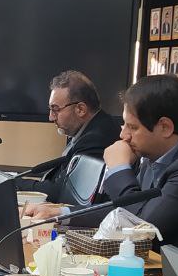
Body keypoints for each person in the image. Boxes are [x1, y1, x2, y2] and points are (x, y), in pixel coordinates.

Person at [25, 75, 178, 248]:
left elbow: (142, 224)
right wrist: (60, 214)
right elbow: (120, 210)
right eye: (125, 125)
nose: (123, 135)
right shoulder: (152, 148)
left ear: (165, 127)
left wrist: (119, 169)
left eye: (132, 127)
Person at [15, 70, 121, 202]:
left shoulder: (97, 138)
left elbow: (62, 192)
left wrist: (13, 183)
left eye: (55, 109)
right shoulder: (88, 128)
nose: (51, 117)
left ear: (81, 109)